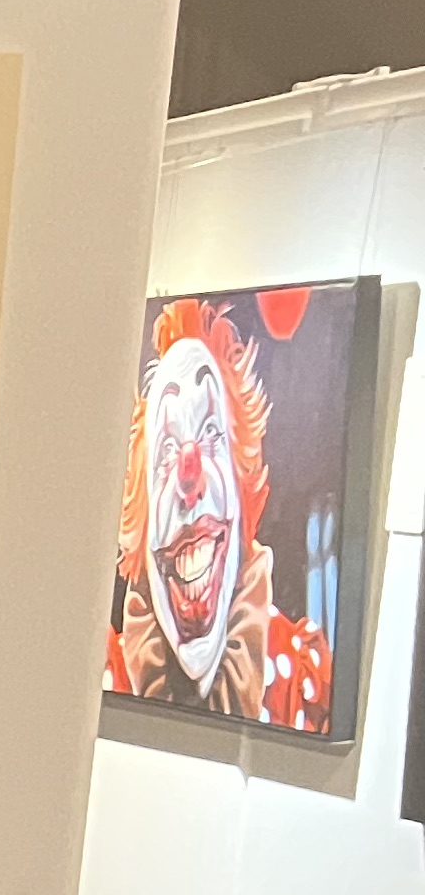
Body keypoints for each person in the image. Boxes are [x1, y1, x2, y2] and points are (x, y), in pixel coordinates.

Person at [106, 295, 331, 730]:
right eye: (166, 450)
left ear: (241, 486)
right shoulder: (94, 670)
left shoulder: (307, 682)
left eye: (211, 433)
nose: (189, 477)